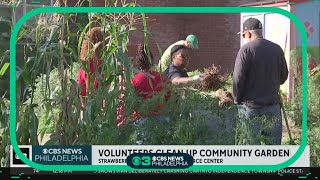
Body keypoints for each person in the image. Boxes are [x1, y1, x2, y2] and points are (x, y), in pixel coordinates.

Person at [232, 17, 289, 145]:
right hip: (272, 106)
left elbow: (238, 78)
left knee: (251, 147)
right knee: (273, 148)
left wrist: (236, 99)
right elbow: (284, 76)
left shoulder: (245, 50)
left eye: (244, 35)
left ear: (248, 33)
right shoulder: (277, 49)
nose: (244, 38)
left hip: (251, 107)